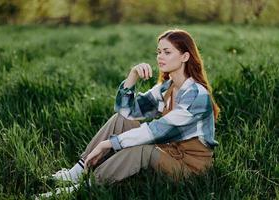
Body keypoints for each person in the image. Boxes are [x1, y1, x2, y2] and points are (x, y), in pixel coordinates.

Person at [41, 28, 220, 197]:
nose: (160, 57)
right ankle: (78, 171)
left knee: (142, 149)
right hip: (169, 153)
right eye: (158, 52)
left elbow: (156, 131)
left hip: (189, 168)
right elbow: (127, 111)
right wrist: (132, 76)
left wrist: (109, 144)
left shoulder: (196, 96)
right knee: (120, 120)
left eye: (167, 52)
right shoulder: (167, 88)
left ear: (185, 56)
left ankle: (84, 187)